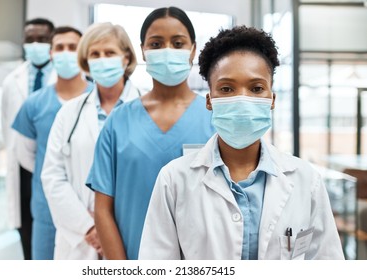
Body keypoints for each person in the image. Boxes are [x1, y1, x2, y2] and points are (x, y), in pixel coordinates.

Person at [138, 26, 345, 260]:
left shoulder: (306, 180)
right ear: (209, 101)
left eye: (256, 88)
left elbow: (327, 263)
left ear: (272, 99)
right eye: (227, 89)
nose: (243, 99)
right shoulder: (174, 180)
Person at [86, 6, 215, 260]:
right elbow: (102, 208)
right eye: (156, 44)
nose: (167, 50)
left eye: (178, 43)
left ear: (193, 50)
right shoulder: (119, 121)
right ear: (143, 50)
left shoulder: (215, 119)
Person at [41, 22, 140, 260]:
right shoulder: (69, 113)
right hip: (81, 240)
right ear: (86, 60)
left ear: (126, 58)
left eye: (109, 53)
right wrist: (91, 228)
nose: (102, 59)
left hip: (133, 232)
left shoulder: (146, 108)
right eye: (95, 54)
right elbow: (53, 176)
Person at [12, 26, 94, 260]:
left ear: (82, 54)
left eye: (73, 47)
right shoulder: (34, 104)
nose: (65, 53)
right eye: (59, 47)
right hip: (47, 209)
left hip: (90, 211)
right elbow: (27, 156)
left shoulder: (98, 99)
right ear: (50, 53)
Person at [1, 17, 55, 260]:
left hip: (52, 164)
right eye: (30, 39)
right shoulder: (11, 81)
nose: (35, 44)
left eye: (42, 39)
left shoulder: (66, 79)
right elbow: (7, 129)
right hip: (22, 171)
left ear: (52, 41)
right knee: (27, 232)